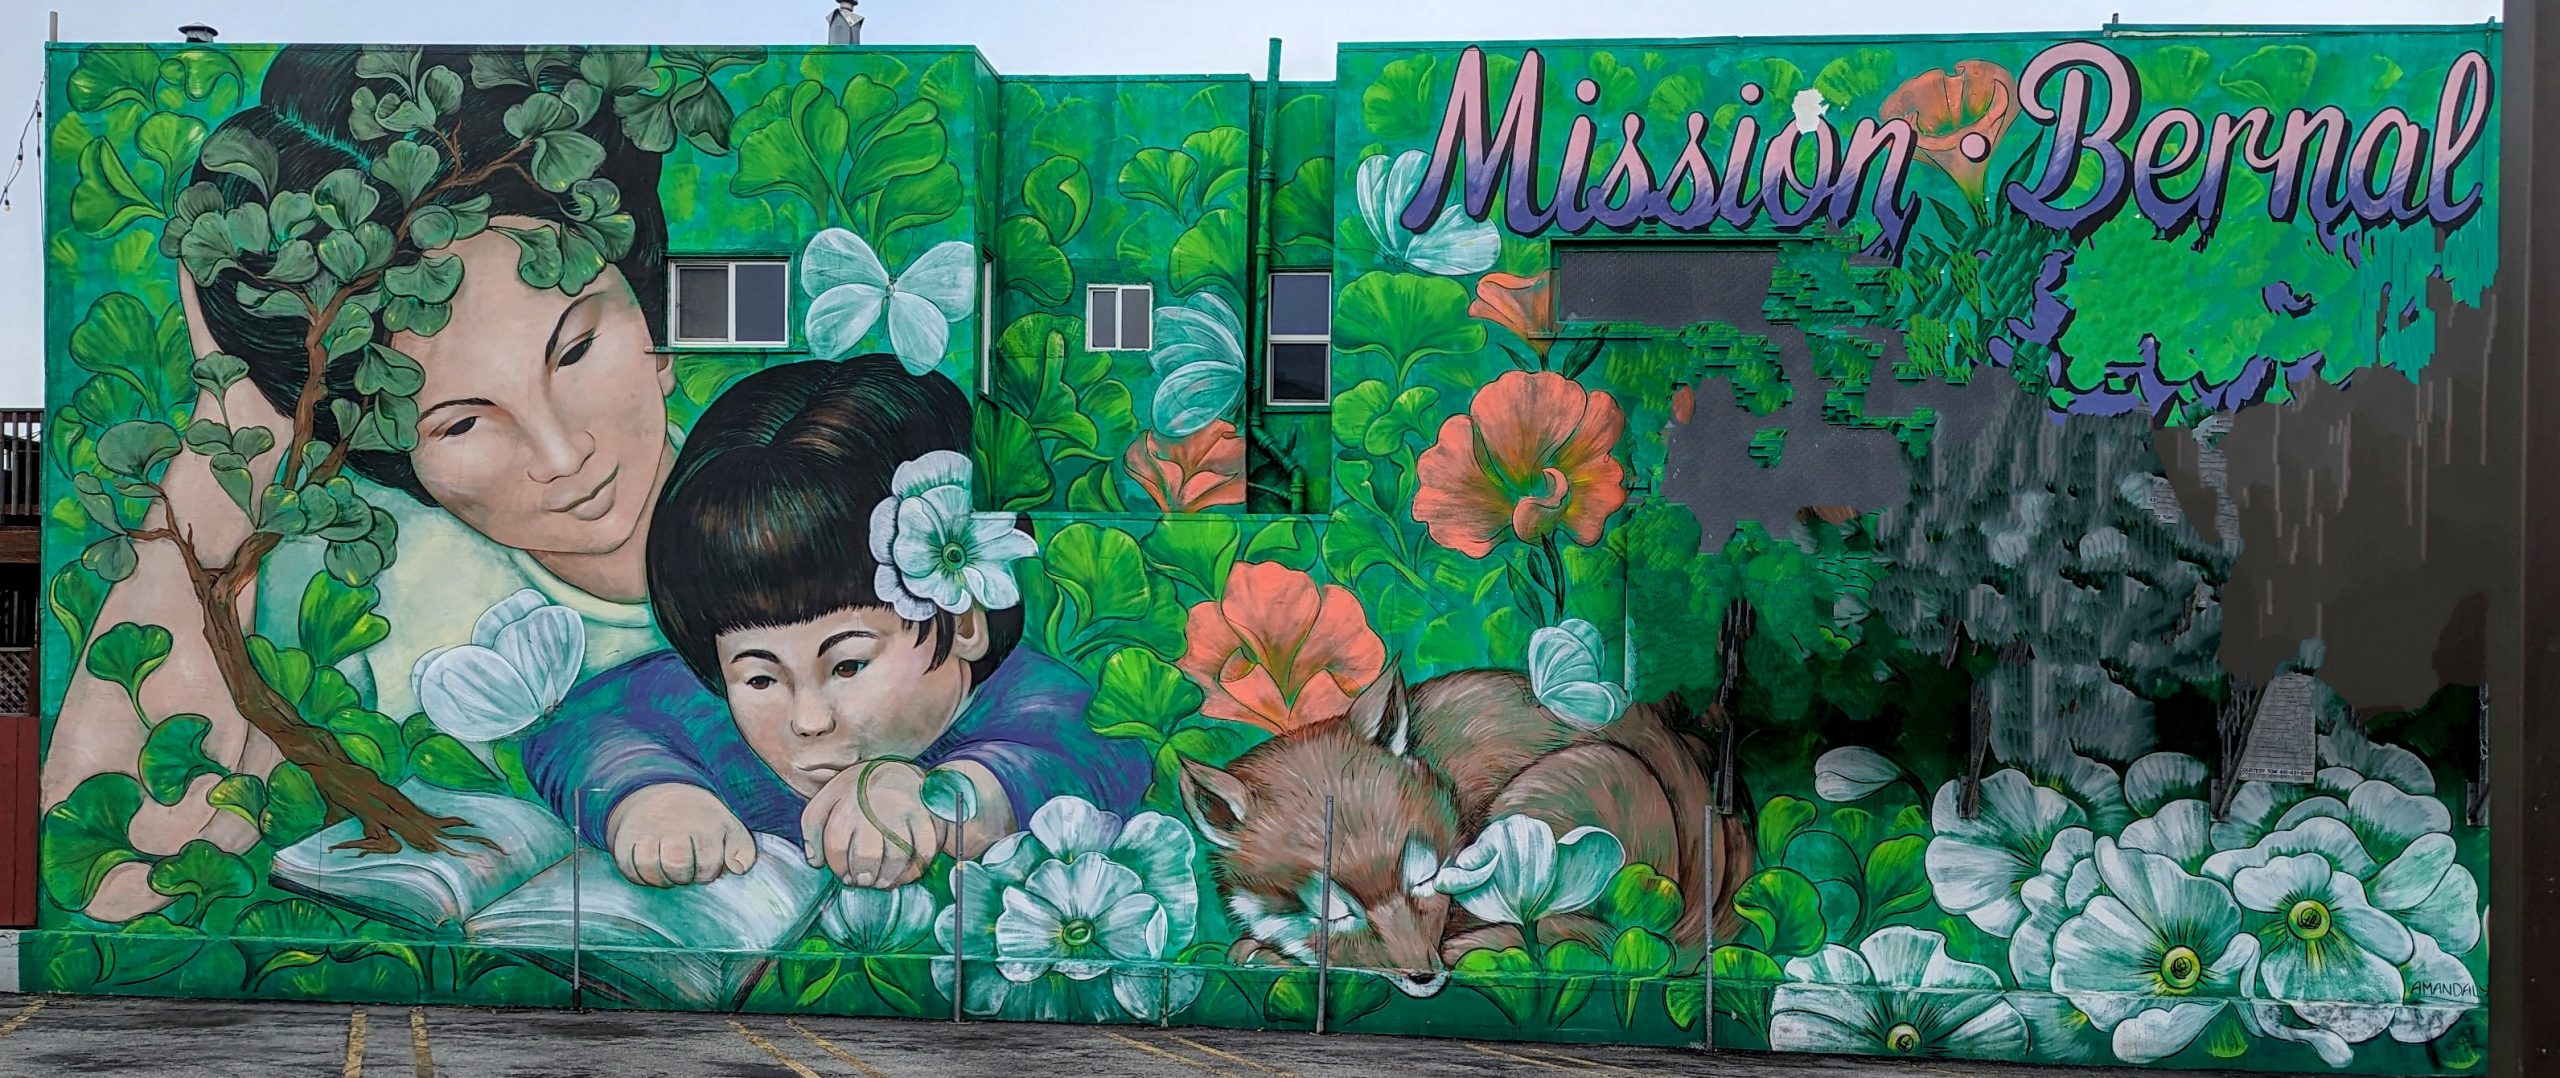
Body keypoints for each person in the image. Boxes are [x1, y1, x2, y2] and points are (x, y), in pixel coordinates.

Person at [40, 44, 683, 922]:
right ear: (394, 454)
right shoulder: (353, 589)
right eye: (459, 423)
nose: (561, 452)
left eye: (573, 351)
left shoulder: (821, 483)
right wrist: (237, 413)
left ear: (656, 332)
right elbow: (119, 870)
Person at [523, 357, 1150, 889]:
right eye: (760, 679)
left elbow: (1096, 755)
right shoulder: (708, 712)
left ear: (962, 622)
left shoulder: (1035, 703)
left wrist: (937, 795)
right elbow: (579, 725)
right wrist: (650, 794)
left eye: (848, 665)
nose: (807, 720)